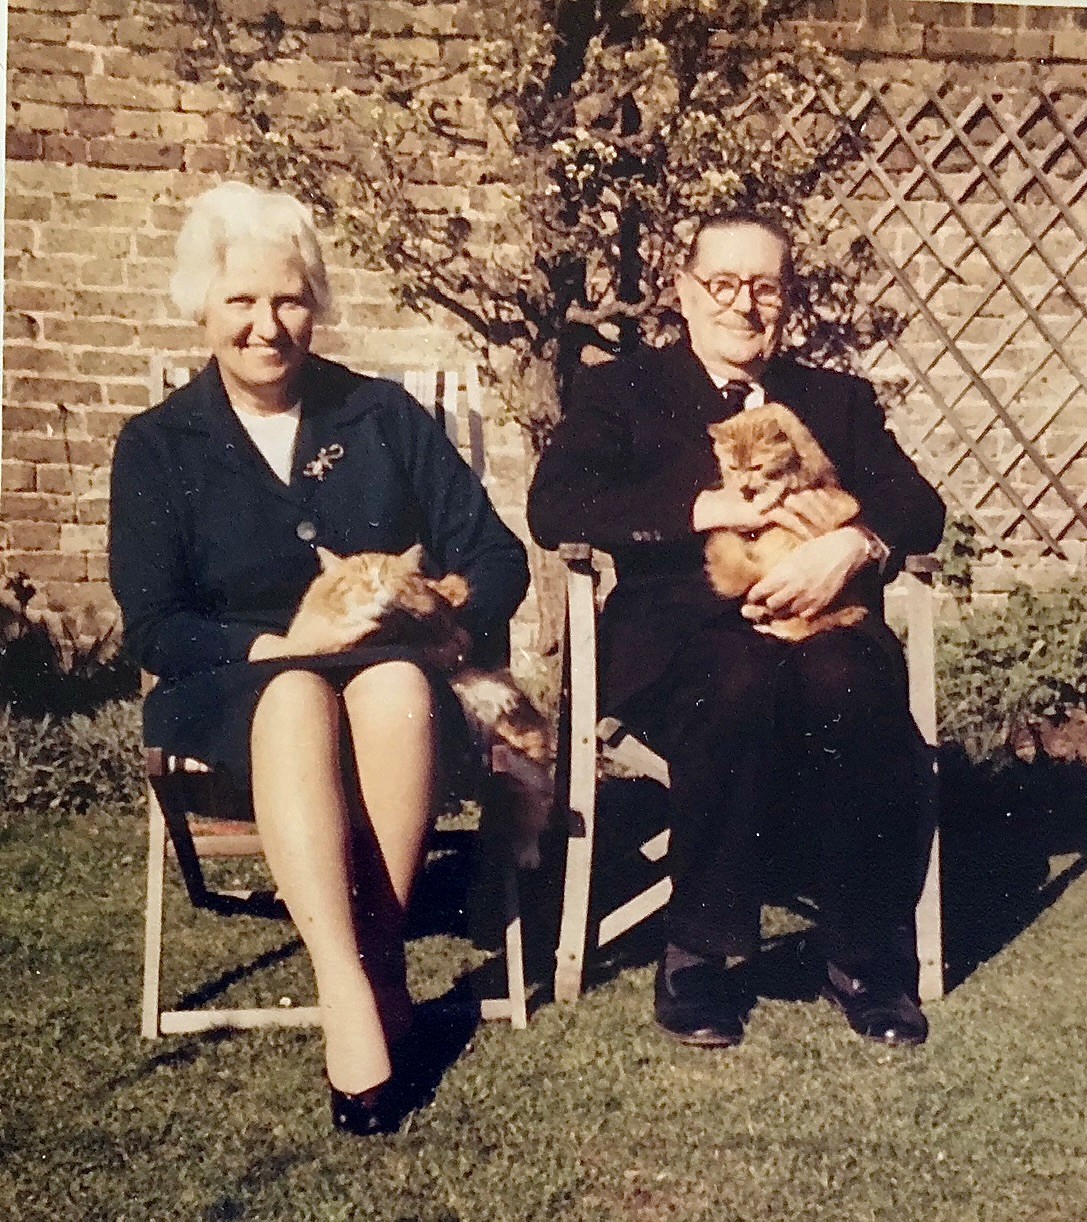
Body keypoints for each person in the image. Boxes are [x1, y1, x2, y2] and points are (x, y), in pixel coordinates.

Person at [109, 182, 529, 1133]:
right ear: (201, 304)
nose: (267, 326)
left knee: (390, 683)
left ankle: (380, 962)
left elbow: (495, 556)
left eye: (289, 300)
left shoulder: (378, 416)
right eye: (241, 301)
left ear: (316, 305)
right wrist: (285, 645)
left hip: (392, 677)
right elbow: (154, 626)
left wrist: (444, 620)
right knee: (296, 694)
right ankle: (352, 991)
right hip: (233, 685)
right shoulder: (159, 446)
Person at [528, 212, 945, 1049]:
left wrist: (852, 545)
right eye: (721, 283)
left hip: (823, 621)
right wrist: (703, 508)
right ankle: (700, 953)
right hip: (682, 637)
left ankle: (862, 958)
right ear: (683, 292)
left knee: (849, 680)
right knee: (737, 679)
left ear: (786, 299)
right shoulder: (624, 390)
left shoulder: (836, 399)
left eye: (764, 287)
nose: (742, 305)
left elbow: (916, 505)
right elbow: (556, 506)